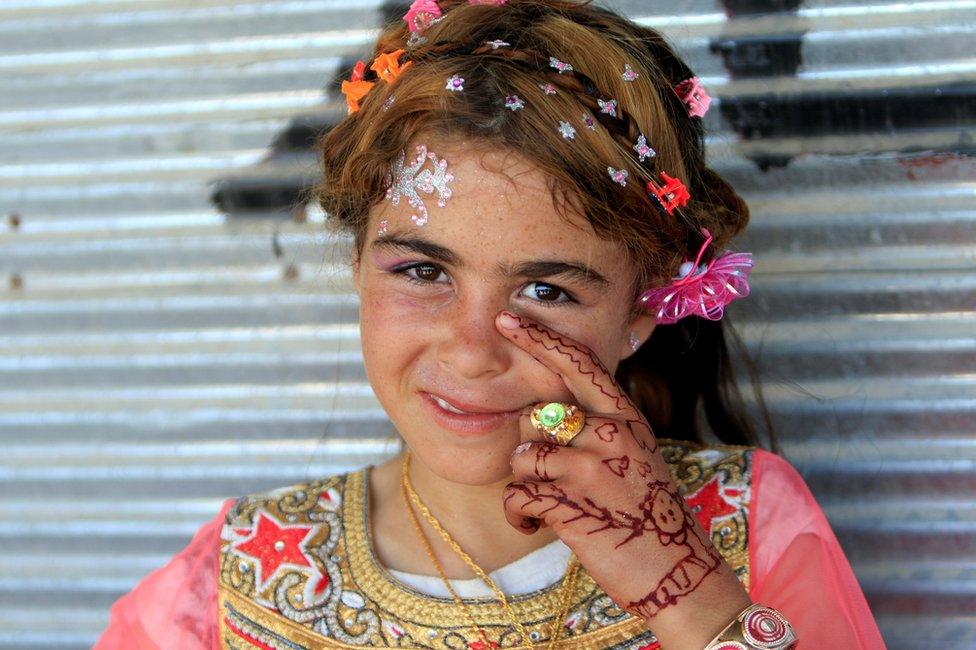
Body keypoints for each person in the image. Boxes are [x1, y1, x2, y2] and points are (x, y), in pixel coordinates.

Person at [94, 1, 887, 648]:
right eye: (423, 272)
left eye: (545, 290)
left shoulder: (744, 524)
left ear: (642, 311)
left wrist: (686, 596)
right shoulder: (227, 588)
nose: (473, 353)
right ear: (359, 266)